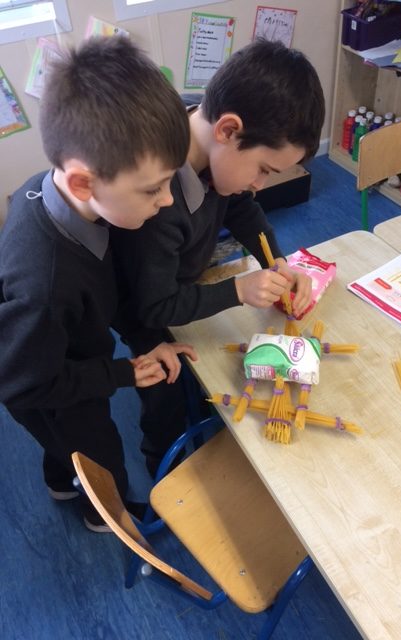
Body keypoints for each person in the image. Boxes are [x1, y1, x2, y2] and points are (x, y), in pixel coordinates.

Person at [0, 36, 196, 532]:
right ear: (83, 183)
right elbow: (30, 383)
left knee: (62, 445)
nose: (167, 200)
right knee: (97, 452)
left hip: (54, 350)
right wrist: (122, 374)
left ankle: (61, 481)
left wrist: (146, 339)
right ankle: (104, 515)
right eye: (153, 189)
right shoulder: (47, 286)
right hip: (42, 378)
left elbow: (110, 286)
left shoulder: (54, 191)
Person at [110, 39, 326, 476]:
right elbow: (155, 306)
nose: (260, 184)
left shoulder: (209, 136)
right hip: (144, 306)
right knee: (166, 387)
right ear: (228, 130)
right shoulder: (158, 199)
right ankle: (165, 467)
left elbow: (242, 205)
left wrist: (277, 262)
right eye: (264, 169)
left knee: (204, 363)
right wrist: (239, 291)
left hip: (177, 279)